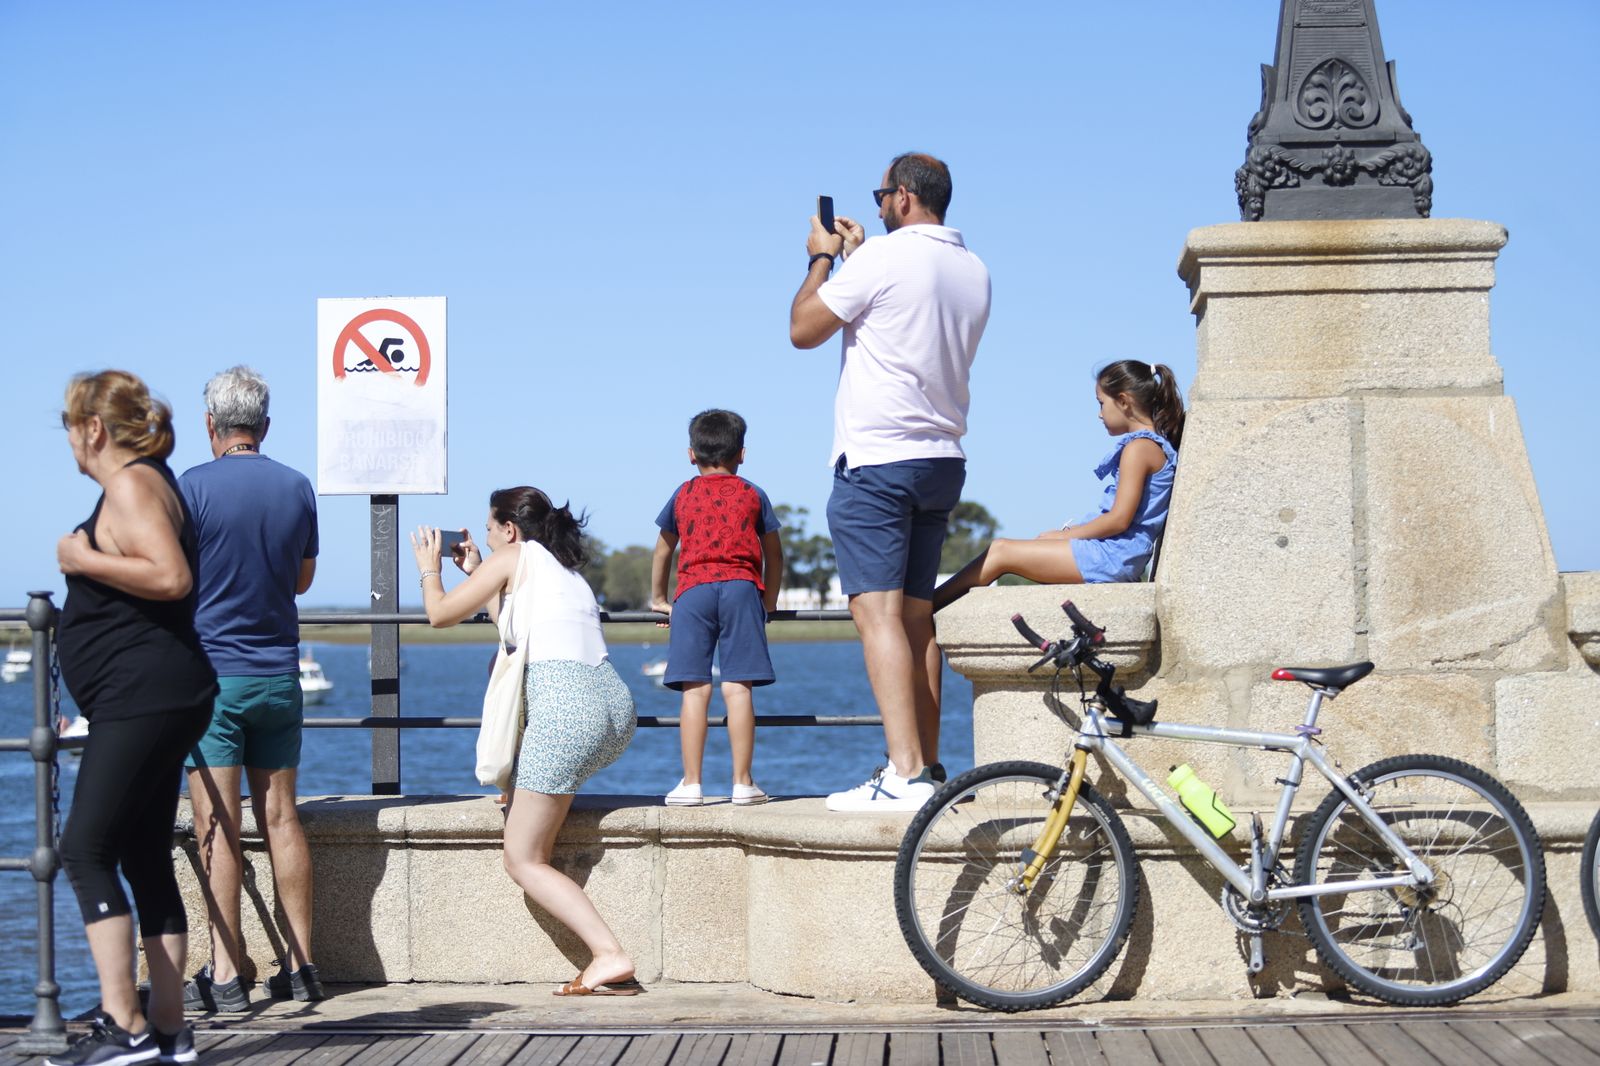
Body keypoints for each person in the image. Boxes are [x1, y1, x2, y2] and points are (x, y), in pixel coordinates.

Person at [788, 152, 991, 812]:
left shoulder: (881, 260)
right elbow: (901, 318)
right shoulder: (972, 268)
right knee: (915, 617)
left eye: (881, 196)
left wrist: (822, 258)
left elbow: (803, 330)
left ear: (904, 197)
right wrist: (861, 259)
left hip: (878, 458)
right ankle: (928, 769)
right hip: (941, 458)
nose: (875, 207)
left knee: (875, 615)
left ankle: (901, 774)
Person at [409, 488, 641, 996]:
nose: (487, 541)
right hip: (611, 707)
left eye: (489, 531)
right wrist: (477, 572)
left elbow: (440, 614)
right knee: (533, 803)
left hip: (566, 714)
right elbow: (515, 627)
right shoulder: (561, 568)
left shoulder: (512, 556)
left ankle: (608, 954)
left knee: (522, 857)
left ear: (509, 530)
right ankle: (527, 788)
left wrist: (431, 569)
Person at [52, 370, 218, 1066]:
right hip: (159, 692)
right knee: (145, 855)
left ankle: (126, 1027)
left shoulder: (129, 483)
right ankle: (170, 1027)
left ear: (93, 428)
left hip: (141, 695)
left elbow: (171, 576)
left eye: (67, 423)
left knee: (84, 850)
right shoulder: (150, 479)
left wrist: (79, 556)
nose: (65, 436)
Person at [178, 366, 323, 1012]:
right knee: (283, 817)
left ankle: (229, 974)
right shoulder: (297, 487)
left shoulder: (191, 490)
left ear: (210, 425)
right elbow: (303, 580)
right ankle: (303, 968)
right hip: (278, 675)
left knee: (218, 825)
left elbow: (173, 579)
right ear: (265, 426)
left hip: (212, 680)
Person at [933, 361, 1185, 609]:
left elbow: (1119, 519)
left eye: (1101, 403)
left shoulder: (1139, 449)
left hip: (1113, 557)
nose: (1099, 413)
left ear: (1123, 401)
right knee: (1022, 546)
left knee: (1001, 551)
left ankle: (925, 609)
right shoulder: (1150, 447)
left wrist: (1064, 535)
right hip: (1115, 554)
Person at [649, 409, 784, 807]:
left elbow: (663, 550)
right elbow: (774, 555)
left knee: (695, 689)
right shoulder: (753, 494)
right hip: (743, 589)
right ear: (742, 454)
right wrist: (769, 601)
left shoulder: (683, 493)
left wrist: (659, 598)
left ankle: (692, 784)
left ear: (691, 454)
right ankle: (743, 783)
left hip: (693, 591)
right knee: (738, 688)